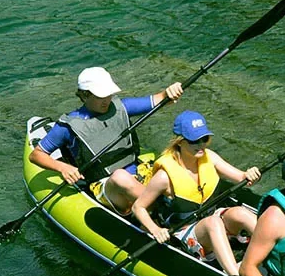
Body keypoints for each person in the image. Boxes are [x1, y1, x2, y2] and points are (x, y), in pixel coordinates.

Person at [29, 66, 183, 214]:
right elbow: (36, 155)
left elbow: (161, 99)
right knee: (120, 177)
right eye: (100, 97)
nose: (106, 101)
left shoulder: (120, 107)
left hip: (139, 173)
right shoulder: (67, 127)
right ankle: (166, 211)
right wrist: (62, 168)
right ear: (84, 95)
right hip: (105, 185)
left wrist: (170, 91)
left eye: (108, 95)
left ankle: (184, 204)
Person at [131, 110, 261, 276]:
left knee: (241, 213)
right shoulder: (164, 177)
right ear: (180, 142)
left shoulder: (210, 158)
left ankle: (280, 252)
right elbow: (138, 207)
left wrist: (250, 174)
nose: (201, 145)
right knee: (213, 223)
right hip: (185, 231)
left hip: (211, 217)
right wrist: (155, 230)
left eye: (204, 139)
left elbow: (241, 177)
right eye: (194, 141)